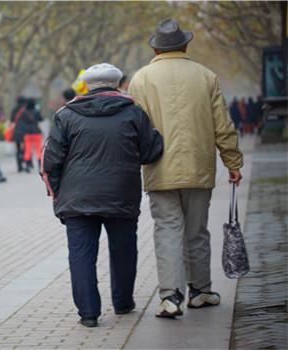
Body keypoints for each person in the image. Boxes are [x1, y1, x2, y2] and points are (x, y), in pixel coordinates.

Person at [128, 18, 243, 318]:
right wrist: (233, 161)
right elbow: (223, 125)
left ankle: (170, 296)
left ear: (155, 47)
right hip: (198, 167)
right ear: (186, 44)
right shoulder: (206, 76)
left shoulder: (140, 80)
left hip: (158, 169)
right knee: (197, 232)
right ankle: (201, 291)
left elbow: (134, 129)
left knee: (166, 230)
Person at [42, 63, 163, 327]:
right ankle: (122, 302)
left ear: (87, 84)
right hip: (121, 194)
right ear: (117, 83)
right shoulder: (133, 112)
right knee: (124, 250)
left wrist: (58, 195)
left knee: (81, 254)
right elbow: (150, 152)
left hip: (76, 198)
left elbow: (50, 160)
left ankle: (88, 313)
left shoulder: (66, 115)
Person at [22, 98, 43, 172]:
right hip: (36, 132)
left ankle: (27, 167)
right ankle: (40, 166)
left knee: (27, 150)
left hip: (27, 133)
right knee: (38, 150)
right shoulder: (36, 111)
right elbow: (41, 119)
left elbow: (23, 121)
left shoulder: (24, 112)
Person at [10, 96, 28, 172]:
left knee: (17, 149)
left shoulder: (14, 109)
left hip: (16, 131)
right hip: (25, 132)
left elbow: (12, 119)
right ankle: (24, 161)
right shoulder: (25, 110)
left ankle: (19, 167)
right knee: (25, 148)